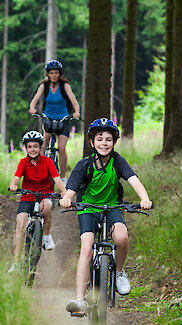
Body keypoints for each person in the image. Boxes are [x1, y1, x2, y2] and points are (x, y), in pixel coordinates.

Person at [60, 118, 152, 315]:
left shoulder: (118, 161)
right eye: (99, 139)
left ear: (114, 143)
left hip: (112, 207)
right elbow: (72, 188)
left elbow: (133, 180)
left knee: (121, 237)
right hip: (88, 208)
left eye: (108, 139)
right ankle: (79, 299)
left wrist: (144, 198)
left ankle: (118, 272)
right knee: (87, 248)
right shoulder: (85, 164)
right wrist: (67, 199)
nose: (104, 143)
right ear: (92, 142)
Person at [8, 131, 67, 273]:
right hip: (27, 197)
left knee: (46, 207)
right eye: (29, 147)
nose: (32, 149)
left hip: (45, 195)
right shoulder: (23, 162)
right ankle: (15, 263)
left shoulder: (48, 162)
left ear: (41, 147)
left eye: (35, 146)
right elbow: (16, 178)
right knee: (20, 224)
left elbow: (57, 179)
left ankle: (46, 236)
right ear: (26, 148)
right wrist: (13, 185)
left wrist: (64, 192)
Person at [28, 60, 81, 185]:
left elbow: (74, 101)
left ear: (60, 74)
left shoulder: (65, 86)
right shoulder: (44, 86)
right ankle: (40, 172)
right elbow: (34, 99)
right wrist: (32, 108)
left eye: (56, 73)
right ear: (47, 74)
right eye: (51, 73)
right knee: (43, 146)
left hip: (63, 121)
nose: (54, 75)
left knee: (61, 149)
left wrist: (76, 112)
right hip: (48, 120)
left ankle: (62, 177)